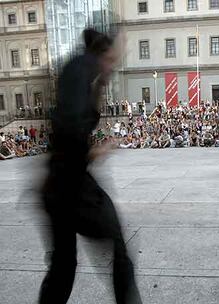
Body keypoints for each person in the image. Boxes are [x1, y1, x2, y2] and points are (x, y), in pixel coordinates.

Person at [39, 29, 142, 304]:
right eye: (113, 61)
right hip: (72, 186)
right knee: (117, 251)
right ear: (105, 54)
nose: (113, 68)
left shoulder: (84, 71)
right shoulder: (82, 67)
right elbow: (71, 125)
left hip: (59, 183)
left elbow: (77, 120)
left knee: (63, 266)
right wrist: (92, 151)